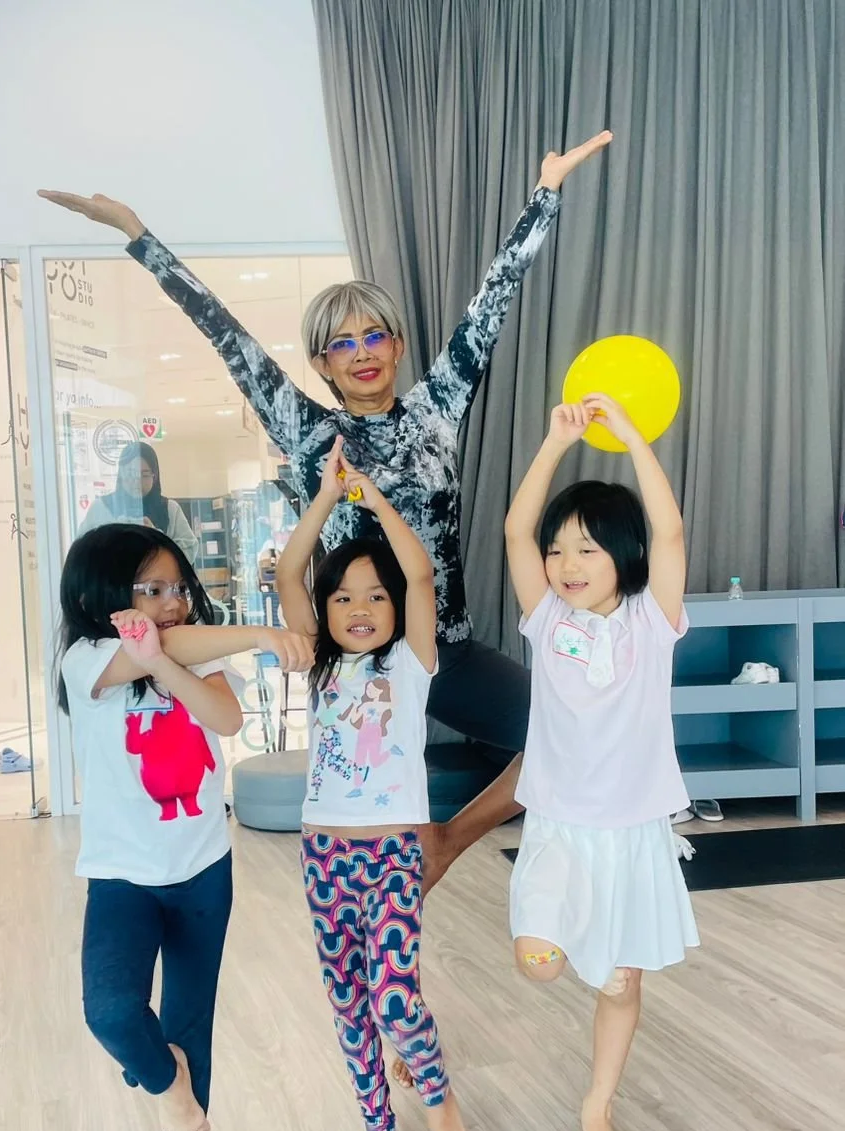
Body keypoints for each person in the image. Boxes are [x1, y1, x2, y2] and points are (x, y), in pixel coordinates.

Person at [38, 129, 612, 880]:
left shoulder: (437, 408)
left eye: (375, 335)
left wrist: (546, 194)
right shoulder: (309, 430)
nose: (362, 351)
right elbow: (223, 333)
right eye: (342, 344)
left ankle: (447, 841)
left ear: (397, 346)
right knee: (360, 819)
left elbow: (491, 305)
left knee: (567, 727)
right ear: (322, 363)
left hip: (444, 647)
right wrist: (137, 236)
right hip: (352, 655)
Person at [58, 523, 311, 1131]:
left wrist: (164, 661)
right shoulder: (84, 660)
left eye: (177, 587)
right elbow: (142, 652)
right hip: (123, 879)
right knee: (112, 1012)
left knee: (188, 1029)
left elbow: (225, 720)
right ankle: (171, 1089)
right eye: (150, 588)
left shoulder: (191, 656)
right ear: (101, 595)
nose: (170, 601)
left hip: (203, 871)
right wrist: (259, 633)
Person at [503, 394, 700, 1131]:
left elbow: (672, 532)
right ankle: (575, 949)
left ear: (623, 552)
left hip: (633, 833)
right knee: (540, 962)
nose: (566, 565)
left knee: (620, 984)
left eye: (586, 549)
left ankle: (598, 1106)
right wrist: (555, 443)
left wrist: (631, 439)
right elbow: (514, 531)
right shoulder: (547, 619)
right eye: (558, 551)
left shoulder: (653, 622)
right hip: (558, 826)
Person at [276, 436, 470, 1131]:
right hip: (323, 854)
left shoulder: (410, 664)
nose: (359, 609)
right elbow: (290, 571)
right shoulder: (318, 660)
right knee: (349, 999)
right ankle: (376, 1126)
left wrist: (372, 498)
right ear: (325, 611)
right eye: (344, 597)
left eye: (375, 596)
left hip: (392, 852)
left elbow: (418, 571)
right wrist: (326, 496)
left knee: (394, 992)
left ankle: (439, 1100)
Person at [77, 441, 199, 565]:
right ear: (121, 474)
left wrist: (157, 537)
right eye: (130, 473)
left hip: (158, 577)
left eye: (145, 475)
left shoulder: (169, 508)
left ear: (155, 476)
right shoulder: (101, 507)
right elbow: (81, 551)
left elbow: (189, 550)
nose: (137, 481)